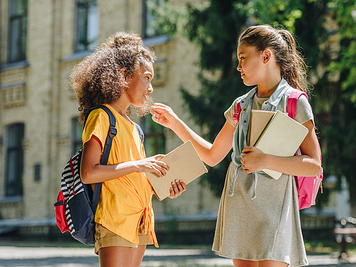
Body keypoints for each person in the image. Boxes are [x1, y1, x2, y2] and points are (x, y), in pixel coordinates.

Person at [151, 25, 322, 267]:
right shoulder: (240, 105)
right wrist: (175, 123)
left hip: (276, 208)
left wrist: (265, 160)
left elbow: (314, 165)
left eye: (243, 58)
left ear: (266, 56)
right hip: (239, 203)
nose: (238, 67)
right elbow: (212, 156)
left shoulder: (295, 102)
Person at [70, 31, 187, 267]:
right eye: (146, 77)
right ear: (123, 76)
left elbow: (131, 178)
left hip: (141, 219)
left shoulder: (135, 128)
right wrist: (139, 164)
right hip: (115, 218)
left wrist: (164, 187)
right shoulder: (101, 116)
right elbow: (89, 173)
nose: (150, 87)